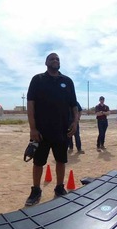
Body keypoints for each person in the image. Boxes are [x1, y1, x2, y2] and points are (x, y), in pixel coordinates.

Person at [25, 52, 79, 207]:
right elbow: (30, 104)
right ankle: (36, 190)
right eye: (52, 58)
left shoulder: (67, 82)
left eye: (57, 59)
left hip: (62, 130)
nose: (55, 60)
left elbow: (74, 105)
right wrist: (33, 128)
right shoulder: (37, 80)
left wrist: (75, 122)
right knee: (38, 162)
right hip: (41, 132)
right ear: (46, 62)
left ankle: (60, 187)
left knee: (61, 161)